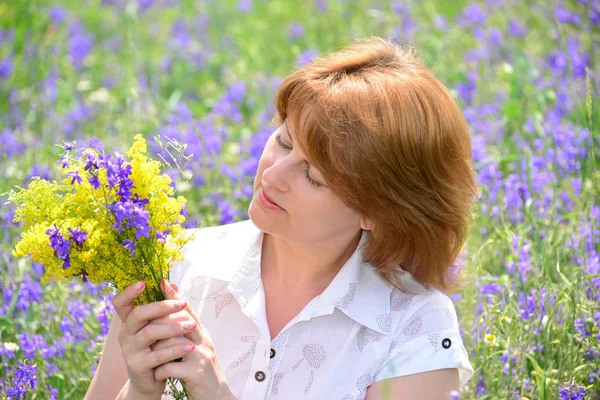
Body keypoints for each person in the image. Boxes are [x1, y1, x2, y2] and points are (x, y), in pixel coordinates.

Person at [85, 36, 478, 400]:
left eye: (313, 176)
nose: (272, 175)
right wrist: (140, 389)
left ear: (377, 211)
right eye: (283, 141)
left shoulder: (415, 329)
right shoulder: (174, 264)